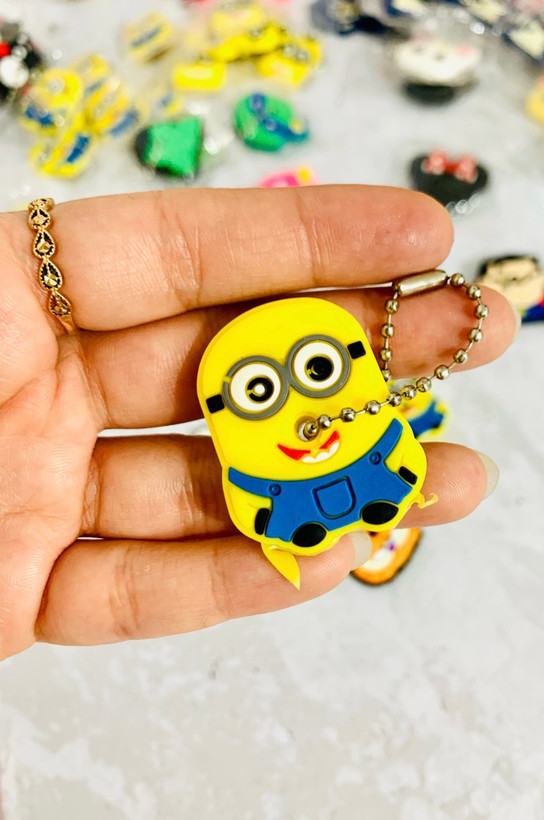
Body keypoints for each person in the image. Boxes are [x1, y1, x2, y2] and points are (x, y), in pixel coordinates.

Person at [0, 185, 517, 660]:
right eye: (259, 391)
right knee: (288, 509)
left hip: (368, 461)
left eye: (319, 369)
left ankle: (371, 499)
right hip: (283, 490)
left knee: (381, 475)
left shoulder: (361, 403)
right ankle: (309, 523)